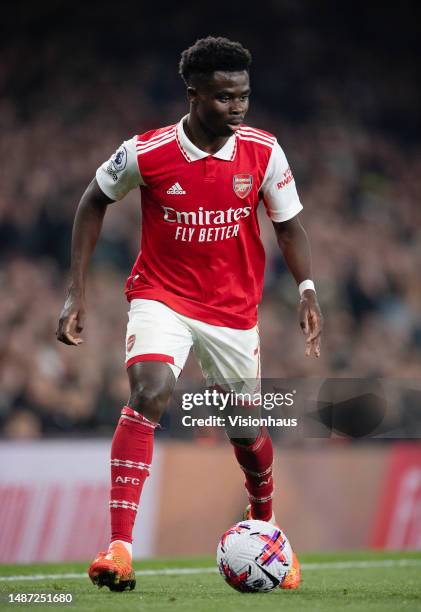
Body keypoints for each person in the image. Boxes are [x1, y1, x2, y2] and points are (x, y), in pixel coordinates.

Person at [56, 36, 323, 592]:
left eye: (244, 96)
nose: (238, 107)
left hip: (232, 309)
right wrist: (75, 293)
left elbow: (289, 224)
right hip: (162, 295)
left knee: (243, 426)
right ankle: (120, 548)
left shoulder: (264, 151)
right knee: (150, 392)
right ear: (194, 94)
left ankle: (267, 526)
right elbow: (93, 200)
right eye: (225, 97)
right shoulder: (147, 153)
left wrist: (307, 288)